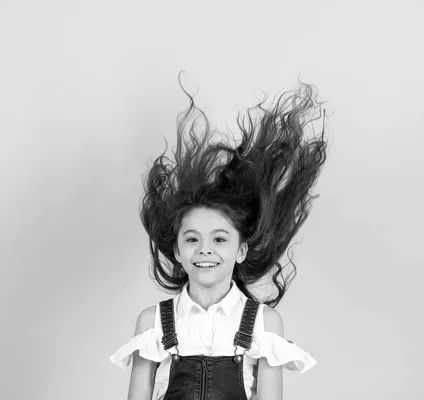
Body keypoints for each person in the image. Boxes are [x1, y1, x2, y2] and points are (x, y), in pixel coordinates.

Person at [109, 76, 328, 400]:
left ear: (241, 249)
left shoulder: (264, 323)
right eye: (192, 239)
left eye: (220, 239)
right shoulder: (152, 321)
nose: (205, 250)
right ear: (177, 250)